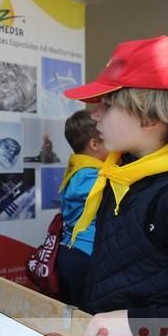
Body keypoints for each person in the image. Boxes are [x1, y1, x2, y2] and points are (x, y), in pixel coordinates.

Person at [63, 36, 168, 336]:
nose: (94, 115)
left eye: (107, 103)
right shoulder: (123, 173)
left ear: (150, 116)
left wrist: (138, 323)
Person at [55, 110, 109, 307]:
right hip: (85, 255)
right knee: (86, 314)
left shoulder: (77, 170)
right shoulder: (92, 177)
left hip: (71, 251)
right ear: (94, 144)